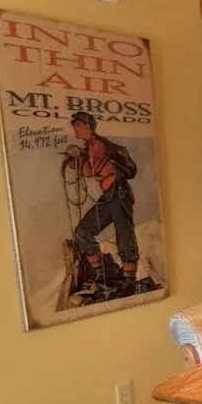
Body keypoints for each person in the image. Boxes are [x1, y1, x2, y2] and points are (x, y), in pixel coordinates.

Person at [63, 111, 139, 287]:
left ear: (87, 127)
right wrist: (78, 156)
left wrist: (78, 156)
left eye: (77, 126)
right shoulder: (92, 146)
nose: (74, 130)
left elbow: (89, 170)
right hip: (111, 194)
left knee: (124, 234)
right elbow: (86, 165)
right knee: (83, 231)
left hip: (118, 192)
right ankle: (101, 272)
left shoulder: (99, 145)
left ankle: (128, 278)